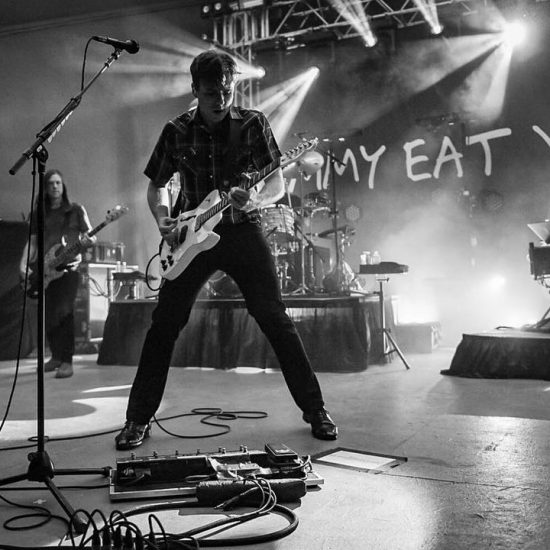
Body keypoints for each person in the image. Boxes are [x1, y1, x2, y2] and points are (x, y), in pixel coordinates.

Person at [115, 50, 338, 450]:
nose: (220, 99)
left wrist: (255, 200)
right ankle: (137, 418)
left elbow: (276, 183)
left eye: (226, 90)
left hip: (241, 230)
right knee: (165, 324)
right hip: (190, 237)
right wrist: (163, 217)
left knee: (274, 317)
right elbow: (156, 185)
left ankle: (315, 409)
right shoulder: (176, 130)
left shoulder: (253, 123)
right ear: (194, 89)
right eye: (210, 92)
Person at [19, 169, 95, 379]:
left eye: (58, 183)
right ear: (45, 187)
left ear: (63, 186)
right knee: (49, 314)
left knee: (65, 311)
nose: (55, 186)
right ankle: (56, 357)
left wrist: (89, 241)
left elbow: (89, 235)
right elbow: (33, 242)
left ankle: (67, 361)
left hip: (69, 268)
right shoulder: (39, 213)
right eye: (51, 183)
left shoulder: (75, 210)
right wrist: (24, 262)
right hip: (46, 269)